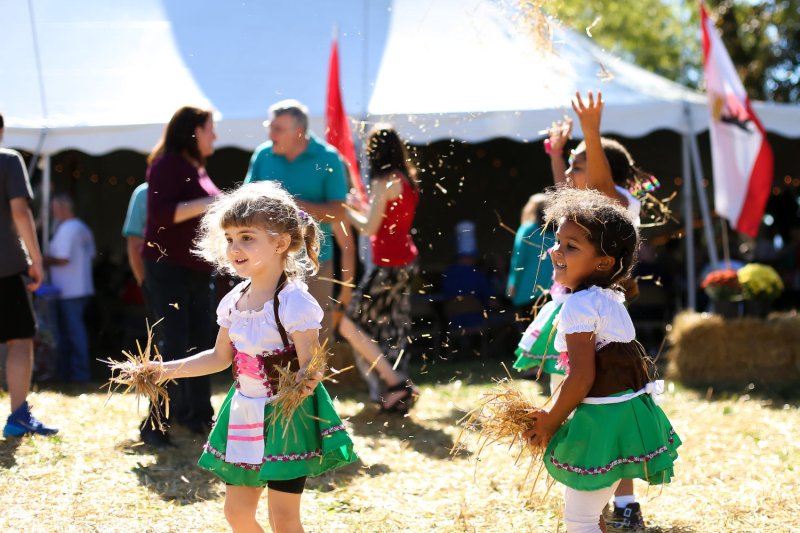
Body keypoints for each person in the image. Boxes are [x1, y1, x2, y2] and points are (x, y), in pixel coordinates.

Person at [138, 181, 357, 532]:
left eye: (247, 237)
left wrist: (298, 389)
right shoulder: (234, 301)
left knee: (283, 520)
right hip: (243, 414)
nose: (235, 248)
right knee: (237, 515)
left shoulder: (294, 302)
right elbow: (219, 356)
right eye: (229, 239)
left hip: (287, 420)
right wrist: (163, 369)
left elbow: (312, 365)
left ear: (281, 242)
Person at [522, 188, 680, 533]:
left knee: (580, 521)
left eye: (570, 246)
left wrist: (549, 420)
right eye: (558, 241)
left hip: (604, 421)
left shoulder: (579, 306)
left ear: (604, 263)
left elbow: (580, 377)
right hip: (629, 415)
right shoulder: (609, 296)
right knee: (592, 516)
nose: (556, 251)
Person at [550, 92, 654, 530]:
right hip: (576, 310)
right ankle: (593, 493)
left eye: (580, 164)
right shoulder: (583, 230)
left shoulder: (614, 208)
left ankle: (619, 500)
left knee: (597, 400)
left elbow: (601, 189)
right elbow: (564, 198)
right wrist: (558, 156)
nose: (574, 173)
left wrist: (590, 131)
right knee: (583, 397)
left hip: (584, 320)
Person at [244, 100, 355, 341]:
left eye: (278, 129)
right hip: (267, 262)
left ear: (299, 132)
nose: (270, 134)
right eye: (270, 127)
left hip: (315, 262)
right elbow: (246, 202)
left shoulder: (328, 157)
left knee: (315, 339)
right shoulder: (263, 155)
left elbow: (339, 212)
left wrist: (293, 206)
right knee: (267, 336)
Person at [140, 106, 220, 447]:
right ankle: (155, 422)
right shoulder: (167, 165)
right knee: (171, 343)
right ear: (193, 132)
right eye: (209, 129)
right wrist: (211, 201)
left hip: (195, 270)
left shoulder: (194, 167)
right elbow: (160, 214)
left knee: (203, 340)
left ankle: (197, 414)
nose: (214, 135)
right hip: (168, 268)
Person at [338, 125, 420, 413]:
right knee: (392, 329)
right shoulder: (405, 179)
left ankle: (395, 382)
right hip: (405, 263)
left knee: (349, 324)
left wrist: (343, 210)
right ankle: (394, 389)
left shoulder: (383, 181)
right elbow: (383, 220)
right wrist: (359, 207)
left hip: (387, 267)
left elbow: (369, 228)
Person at [0, 112, 58, 437]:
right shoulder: (7, 160)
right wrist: (36, 259)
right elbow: (20, 211)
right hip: (5, 267)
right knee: (19, 340)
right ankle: (19, 416)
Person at [45, 194, 96, 382]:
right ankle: (75, 373)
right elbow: (91, 256)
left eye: (54, 209)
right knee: (76, 331)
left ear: (61, 209)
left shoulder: (67, 229)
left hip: (68, 289)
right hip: (80, 288)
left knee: (72, 333)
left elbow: (63, 258)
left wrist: (40, 260)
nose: (52, 212)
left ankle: (77, 374)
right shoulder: (82, 227)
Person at [122, 182, 148, 289]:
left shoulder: (144, 192)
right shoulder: (144, 193)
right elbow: (135, 245)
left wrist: (143, 282)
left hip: (159, 282)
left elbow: (135, 246)